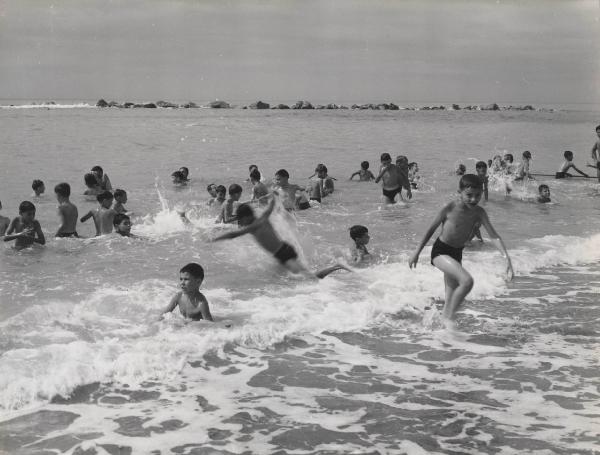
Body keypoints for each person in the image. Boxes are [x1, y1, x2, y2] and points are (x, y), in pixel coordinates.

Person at [408, 174, 513, 322]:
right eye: (469, 195)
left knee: (450, 297)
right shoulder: (450, 208)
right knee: (467, 281)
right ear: (460, 192)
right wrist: (416, 252)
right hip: (440, 251)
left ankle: (443, 329)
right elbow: (430, 230)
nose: (473, 199)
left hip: (457, 253)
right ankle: (450, 317)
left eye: (478, 195)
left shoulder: (479, 212)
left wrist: (506, 257)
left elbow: (493, 235)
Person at [212, 197, 348, 279]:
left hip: (284, 253)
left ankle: (336, 266)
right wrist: (274, 197)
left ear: (247, 216)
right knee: (290, 278)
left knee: (309, 278)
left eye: (241, 219)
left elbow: (232, 235)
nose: (241, 222)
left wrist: (215, 239)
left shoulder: (254, 226)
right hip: (283, 251)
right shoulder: (262, 218)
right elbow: (270, 207)